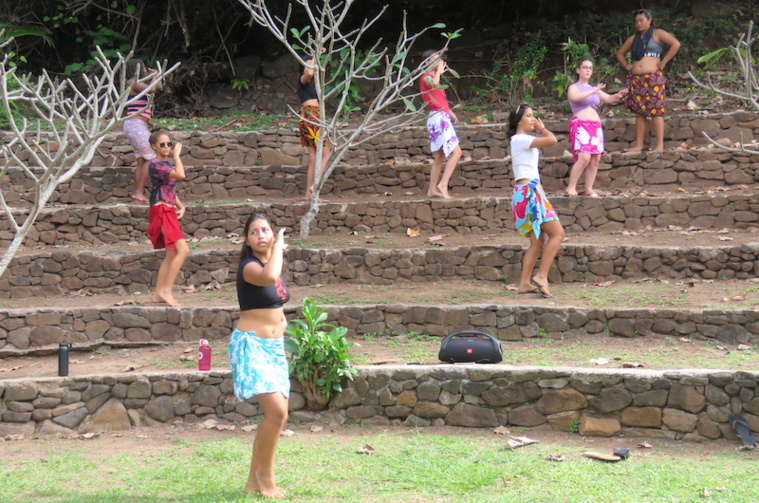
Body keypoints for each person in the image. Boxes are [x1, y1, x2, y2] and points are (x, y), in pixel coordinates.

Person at [229, 213, 291, 498]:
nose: (261, 235)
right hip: (252, 345)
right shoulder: (249, 266)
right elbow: (269, 278)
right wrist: (278, 245)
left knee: (279, 414)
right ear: (247, 240)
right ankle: (266, 475)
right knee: (276, 411)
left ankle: (253, 480)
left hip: (275, 348)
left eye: (266, 230)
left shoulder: (271, 263)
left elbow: (274, 297)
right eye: (254, 232)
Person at [509, 104, 565, 299]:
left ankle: (524, 283)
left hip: (526, 193)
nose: (533, 119)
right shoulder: (520, 139)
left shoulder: (521, 140)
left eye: (534, 116)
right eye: (529, 116)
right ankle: (541, 276)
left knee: (538, 242)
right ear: (518, 120)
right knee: (558, 233)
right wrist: (542, 129)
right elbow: (552, 140)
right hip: (529, 194)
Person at [616, 9, 681, 152]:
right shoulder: (634, 38)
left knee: (656, 111)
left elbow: (675, 44)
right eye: (636, 21)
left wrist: (663, 61)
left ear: (649, 20)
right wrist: (627, 65)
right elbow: (620, 53)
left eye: (641, 20)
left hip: (652, 77)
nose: (638, 24)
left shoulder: (658, 33)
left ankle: (659, 145)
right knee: (639, 113)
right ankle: (639, 145)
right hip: (636, 78)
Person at [565, 59, 629, 197]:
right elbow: (574, 97)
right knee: (584, 158)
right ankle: (571, 187)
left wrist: (618, 95)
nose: (588, 70)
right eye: (585, 67)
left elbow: (608, 99)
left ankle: (589, 189)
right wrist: (593, 91)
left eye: (590, 68)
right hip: (581, 125)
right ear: (578, 70)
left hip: (595, 126)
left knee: (595, 158)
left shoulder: (595, 88)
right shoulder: (574, 87)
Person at [146, 132, 189, 307]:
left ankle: (158, 293)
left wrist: (181, 206)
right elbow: (181, 175)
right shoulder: (156, 164)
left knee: (171, 253)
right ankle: (166, 291)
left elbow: (169, 188)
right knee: (183, 251)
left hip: (167, 208)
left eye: (169, 144)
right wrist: (177, 156)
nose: (166, 147)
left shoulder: (164, 164)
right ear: (154, 146)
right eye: (162, 144)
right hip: (162, 210)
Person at [420, 50, 462, 199]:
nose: (439, 63)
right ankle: (443, 184)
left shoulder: (432, 77)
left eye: (439, 60)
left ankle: (432, 189)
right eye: (435, 60)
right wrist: (438, 72)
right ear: (427, 63)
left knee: (439, 156)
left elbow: (439, 99)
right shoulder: (426, 77)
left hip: (439, 116)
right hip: (438, 119)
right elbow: (435, 84)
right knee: (457, 153)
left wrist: (450, 112)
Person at [123, 58, 161, 203]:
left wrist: (151, 123)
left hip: (137, 125)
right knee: (152, 158)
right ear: (136, 69)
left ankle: (138, 196)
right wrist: (156, 76)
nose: (146, 70)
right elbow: (151, 90)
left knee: (141, 161)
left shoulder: (137, 83)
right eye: (144, 68)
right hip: (135, 126)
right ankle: (138, 192)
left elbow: (138, 109)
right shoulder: (131, 81)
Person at [298, 49, 331, 201]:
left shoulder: (309, 85)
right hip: (311, 117)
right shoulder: (303, 80)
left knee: (314, 158)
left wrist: (319, 51)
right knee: (326, 154)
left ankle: (308, 194)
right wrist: (311, 62)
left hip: (309, 118)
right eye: (309, 64)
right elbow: (309, 73)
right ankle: (315, 186)